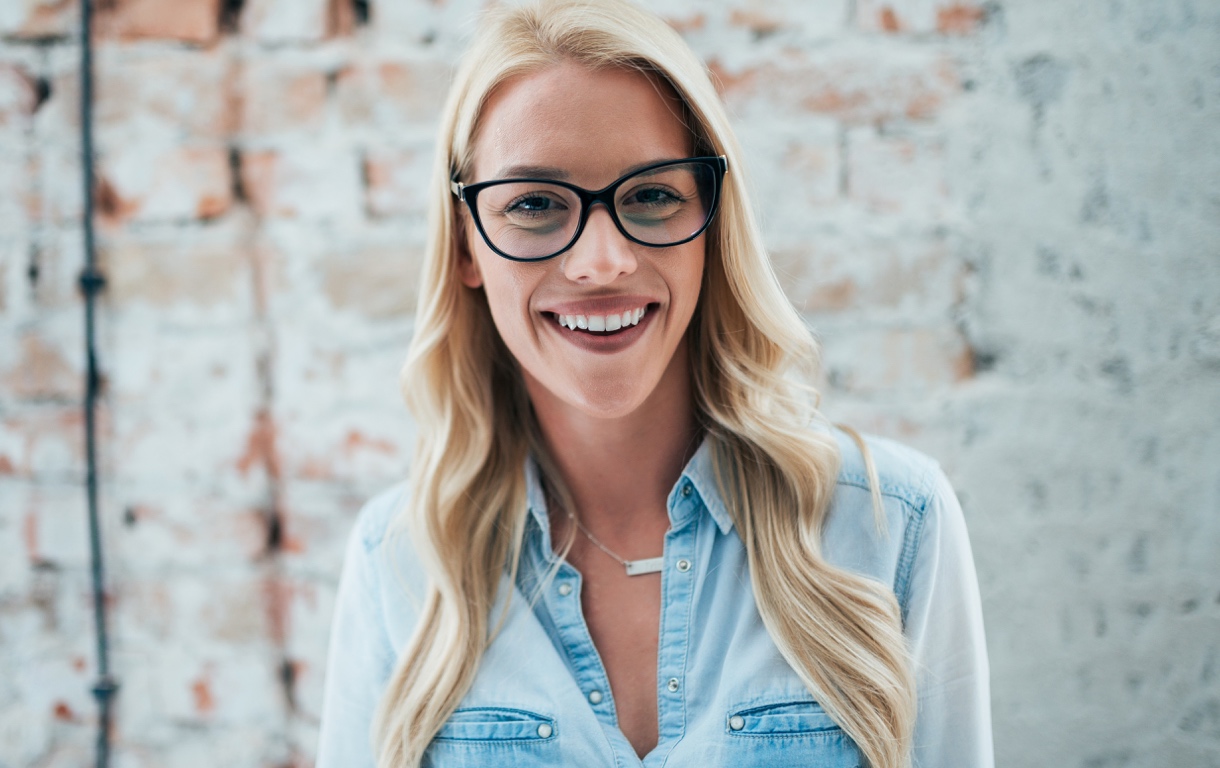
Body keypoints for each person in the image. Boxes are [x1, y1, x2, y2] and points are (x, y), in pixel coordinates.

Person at [317, 0, 993, 766]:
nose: (601, 261)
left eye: (650, 195)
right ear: (468, 243)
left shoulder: (888, 524)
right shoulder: (399, 561)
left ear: (711, 219)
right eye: (535, 204)